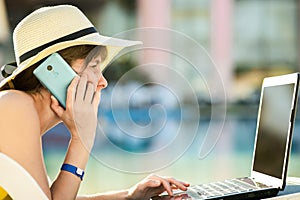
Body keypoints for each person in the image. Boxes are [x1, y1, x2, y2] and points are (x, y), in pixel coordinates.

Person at [0, 4, 189, 200]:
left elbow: (49, 197)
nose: (103, 82)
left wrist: (129, 196)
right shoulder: (15, 106)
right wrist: (82, 138)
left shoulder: (19, 112)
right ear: (53, 70)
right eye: (93, 65)